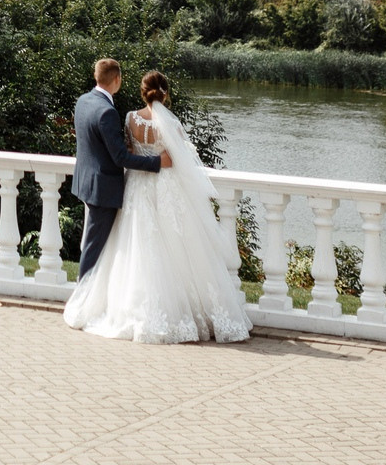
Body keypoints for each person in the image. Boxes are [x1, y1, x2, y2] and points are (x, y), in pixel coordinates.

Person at [63, 69, 252, 343]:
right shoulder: (171, 126)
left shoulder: (129, 118)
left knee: (135, 245)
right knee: (179, 248)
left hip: (136, 188)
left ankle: (122, 305)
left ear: (143, 91)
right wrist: (160, 160)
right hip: (166, 187)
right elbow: (176, 160)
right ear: (165, 93)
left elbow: (126, 150)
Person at [64, 57, 166, 286]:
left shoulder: (83, 101)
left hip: (86, 182)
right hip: (103, 190)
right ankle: (82, 295)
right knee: (94, 247)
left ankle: (91, 292)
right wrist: (157, 162)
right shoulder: (107, 112)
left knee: (97, 244)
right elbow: (120, 157)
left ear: (96, 77)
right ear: (117, 79)